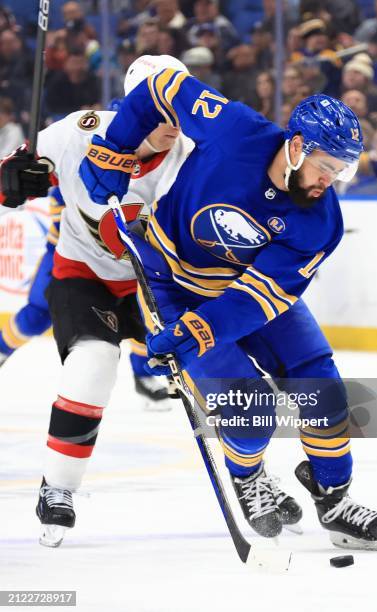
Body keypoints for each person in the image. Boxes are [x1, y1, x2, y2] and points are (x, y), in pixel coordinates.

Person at [78, 56, 377, 550]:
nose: (327, 182)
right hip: (172, 285)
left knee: (323, 391)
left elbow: (258, 299)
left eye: (339, 172)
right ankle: (249, 476)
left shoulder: (320, 222)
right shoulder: (235, 129)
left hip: (243, 296)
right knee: (250, 410)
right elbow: (161, 86)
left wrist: (198, 332)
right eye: (323, 168)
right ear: (296, 147)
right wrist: (113, 149)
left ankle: (333, 499)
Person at [0, 55, 216, 548]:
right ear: (134, 106)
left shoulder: (192, 157)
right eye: (160, 109)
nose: (173, 122)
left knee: (213, 363)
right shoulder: (81, 131)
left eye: (178, 107)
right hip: (84, 274)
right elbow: (14, 173)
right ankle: (58, 488)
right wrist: (11, 180)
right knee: (94, 359)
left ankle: (252, 479)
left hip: (158, 284)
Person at [0, 185, 171, 410]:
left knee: (144, 316)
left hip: (126, 260)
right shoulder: (69, 154)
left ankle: (144, 375)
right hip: (70, 258)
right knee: (36, 316)